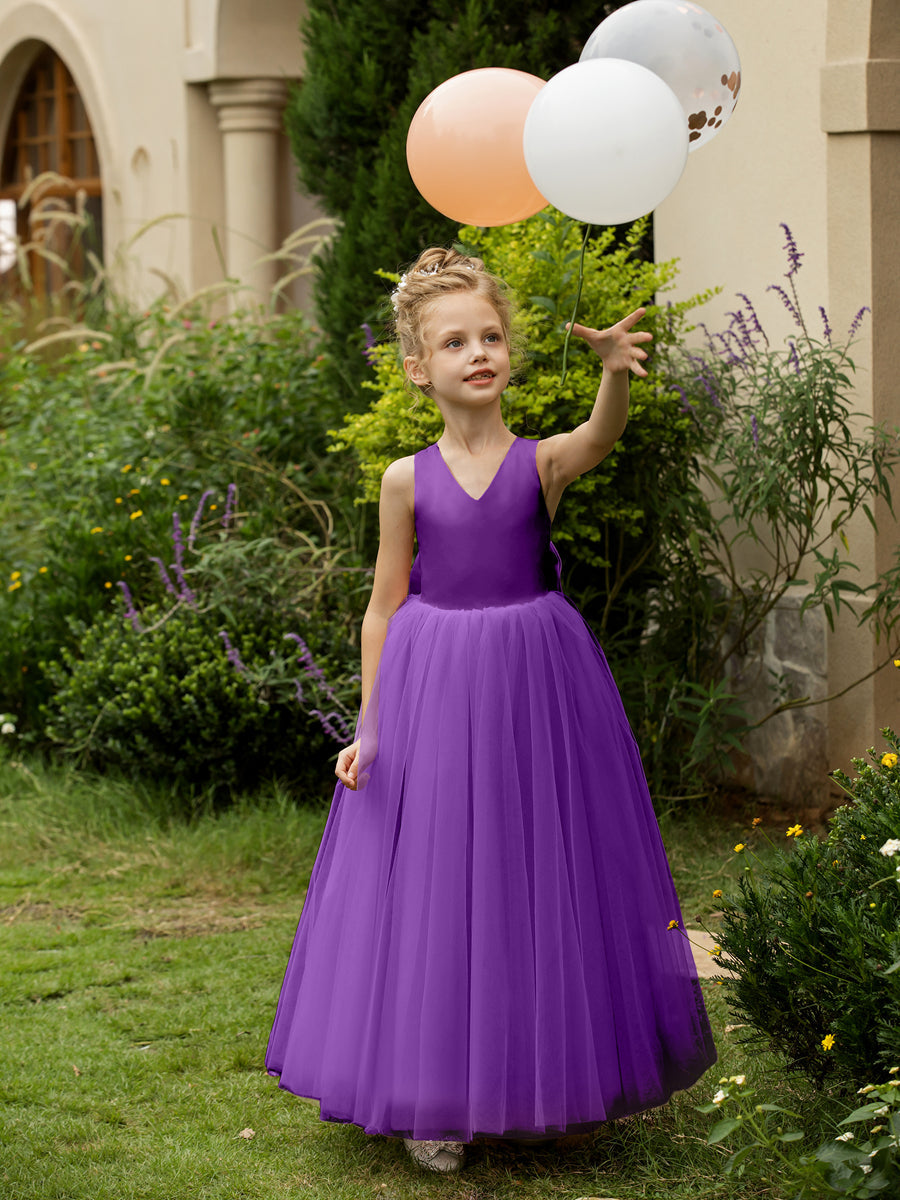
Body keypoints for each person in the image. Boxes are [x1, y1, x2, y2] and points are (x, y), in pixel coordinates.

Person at [266, 247, 717, 1174]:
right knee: (439, 880)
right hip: (433, 684)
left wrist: (610, 377)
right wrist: (370, 727)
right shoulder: (405, 479)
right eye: (455, 341)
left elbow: (600, 438)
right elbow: (385, 604)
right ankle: (436, 1095)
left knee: (537, 871)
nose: (479, 352)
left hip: (535, 682)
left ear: (509, 351)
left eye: (492, 336)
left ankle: (552, 1082)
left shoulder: (539, 462)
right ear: (416, 367)